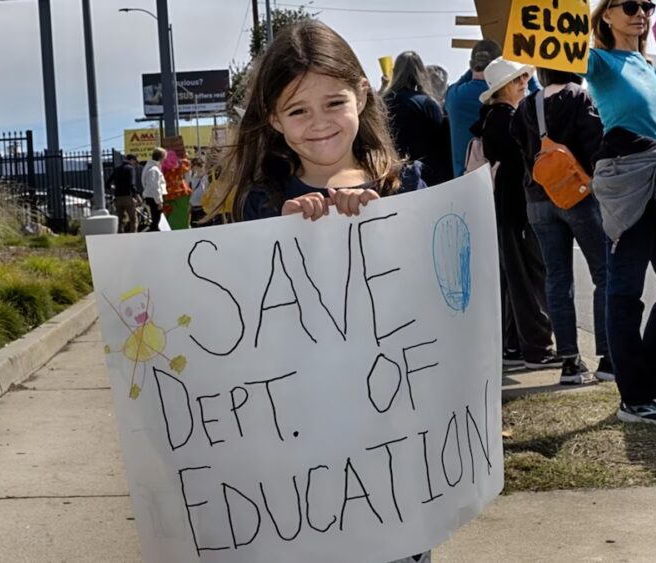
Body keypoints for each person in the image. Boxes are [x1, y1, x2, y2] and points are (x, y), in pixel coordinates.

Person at [214, 20, 427, 562]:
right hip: (307, 443)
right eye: (298, 111)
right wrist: (281, 242)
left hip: (399, 432)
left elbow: (435, 305)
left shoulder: (408, 187)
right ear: (273, 120)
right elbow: (245, 331)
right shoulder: (262, 203)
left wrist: (390, 230)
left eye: (333, 103)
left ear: (361, 94)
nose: (319, 124)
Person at [585, 0, 656, 427]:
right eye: (631, 5)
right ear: (607, 16)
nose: (642, 12)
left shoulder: (652, 68)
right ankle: (635, 398)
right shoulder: (599, 62)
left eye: (648, 5)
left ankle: (648, 382)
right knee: (625, 291)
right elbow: (554, 50)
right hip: (626, 180)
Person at [510, 68, 613, 384]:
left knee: (557, 279)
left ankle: (569, 362)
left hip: (538, 199)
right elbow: (597, 146)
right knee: (604, 272)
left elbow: (518, 143)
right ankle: (609, 358)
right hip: (578, 196)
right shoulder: (580, 97)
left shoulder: (528, 106)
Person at [475, 58, 560, 371]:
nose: (524, 81)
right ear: (502, 89)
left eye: (525, 76)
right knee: (529, 277)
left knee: (516, 278)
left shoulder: (492, 116)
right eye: (518, 79)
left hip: (506, 204)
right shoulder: (506, 118)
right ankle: (536, 349)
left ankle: (515, 346)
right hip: (517, 205)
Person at [383, 51, 450, 186]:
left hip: (393, 174)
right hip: (428, 175)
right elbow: (442, 141)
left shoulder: (384, 102)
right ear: (421, 72)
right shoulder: (427, 103)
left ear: (395, 72)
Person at [445, 40, 501, 178]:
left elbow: (464, 78)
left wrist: (476, 64)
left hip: (462, 179)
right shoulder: (503, 95)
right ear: (496, 66)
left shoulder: (453, 95)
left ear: (471, 65)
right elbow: (534, 93)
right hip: (497, 180)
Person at [109, 154, 140, 233]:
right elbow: (131, 184)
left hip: (118, 197)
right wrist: (136, 195)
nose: (135, 164)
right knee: (133, 219)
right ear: (132, 160)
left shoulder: (117, 169)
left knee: (120, 219)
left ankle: (120, 236)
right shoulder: (130, 169)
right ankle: (133, 236)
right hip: (128, 197)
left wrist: (114, 187)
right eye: (135, 162)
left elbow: (107, 183)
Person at [161, 149, 192, 230]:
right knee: (182, 216)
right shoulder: (179, 169)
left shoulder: (164, 172)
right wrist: (184, 156)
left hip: (168, 195)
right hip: (181, 193)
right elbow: (187, 165)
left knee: (171, 215)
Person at [141, 148, 167, 232]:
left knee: (155, 221)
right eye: (164, 157)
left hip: (151, 197)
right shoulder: (154, 170)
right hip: (153, 198)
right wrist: (159, 201)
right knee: (155, 222)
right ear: (161, 158)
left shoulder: (149, 167)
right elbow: (155, 187)